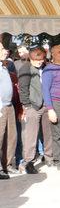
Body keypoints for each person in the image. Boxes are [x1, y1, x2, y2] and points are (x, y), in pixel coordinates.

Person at [18, 46, 52, 174]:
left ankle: (49, 157)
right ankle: (28, 162)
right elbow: (23, 89)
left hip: (45, 105)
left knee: (48, 133)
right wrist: (27, 105)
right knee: (30, 136)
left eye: (41, 59)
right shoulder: (25, 69)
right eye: (36, 59)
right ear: (30, 58)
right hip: (32, 106)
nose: (39, 62)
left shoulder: (45, 67)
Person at [0, 44, 19, 177]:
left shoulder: (3, 66)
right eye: (1, 49)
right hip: (0, 107)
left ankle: (8, 165)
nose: (5, 51)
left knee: (11, 137)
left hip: (9, 106)